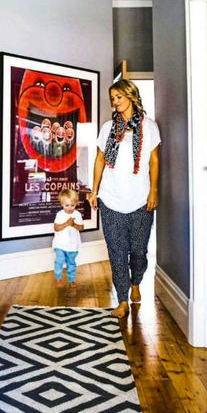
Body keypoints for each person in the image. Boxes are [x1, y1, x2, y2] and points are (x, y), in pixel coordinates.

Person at [88, 79, 160, 317]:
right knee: (117, 251)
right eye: (112, 98)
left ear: (131, 96)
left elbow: (154, 161)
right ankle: (122, 300)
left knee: (139, 251)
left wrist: (154, 191)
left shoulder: (149, 127)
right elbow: (100, 160)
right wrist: (94, 190)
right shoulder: (109, 127)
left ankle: (136, 282)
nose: (115, 102)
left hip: (140, 200)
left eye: (118, 97)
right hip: (111, 199)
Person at [53, 188, 84, 290]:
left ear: (76, 203)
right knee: (59, 260)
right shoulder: (60, 214)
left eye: (72, 205)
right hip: (60, 244)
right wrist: (66, 223)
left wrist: (74, 224)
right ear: (62, 204)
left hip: (73, 245)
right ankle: (58, 279)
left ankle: (72, 279)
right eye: (66, 205)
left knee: (71, 263)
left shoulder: (77, 214)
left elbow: (81, 228)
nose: (70, 208)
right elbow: (56, 228)